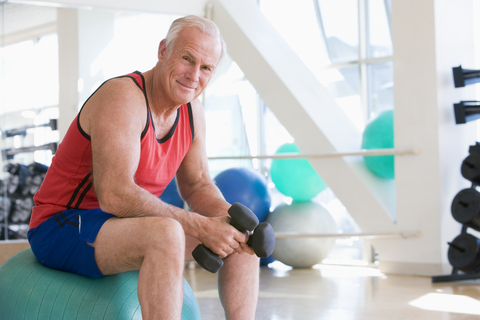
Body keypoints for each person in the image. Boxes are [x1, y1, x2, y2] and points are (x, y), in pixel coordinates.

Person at [27, 15, 259, 320]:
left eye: (205, 68)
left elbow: (198, 184)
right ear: (163, 50)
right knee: (166, 234)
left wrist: (223, 221)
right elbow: (115, 195)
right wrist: (201, 226)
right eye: (187, 58)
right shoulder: (123, 98)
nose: (193, 75)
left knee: (240, 238)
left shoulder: (192, 112)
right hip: (63, 225)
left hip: (127, 226)